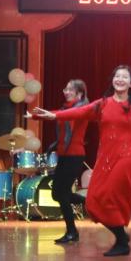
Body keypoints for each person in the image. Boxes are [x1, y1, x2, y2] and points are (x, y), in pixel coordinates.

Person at [32, 66, 131, 257]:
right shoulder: (103, 104)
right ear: (112, 80)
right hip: (105, 159)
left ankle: (121, 241)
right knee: (92, 202)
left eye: (124, 77)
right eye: (117, 76)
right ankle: (121, 236)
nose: (120, 79)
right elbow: (79, 112)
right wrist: (54, 115)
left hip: (126, 158)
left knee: (111, 195)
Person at [43, 79, 90, 244]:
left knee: (62, 194)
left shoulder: (82, 109)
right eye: (65, 89)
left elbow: (63, 115)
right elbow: (55, 114)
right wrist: (34, 115)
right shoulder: (65, 109)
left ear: (80, 93)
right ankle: (90, 202)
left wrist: (53, 115)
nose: (66, 92)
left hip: (74, 156)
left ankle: (72, 231)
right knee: (56, 194)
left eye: (70, 90)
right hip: (64, 155)